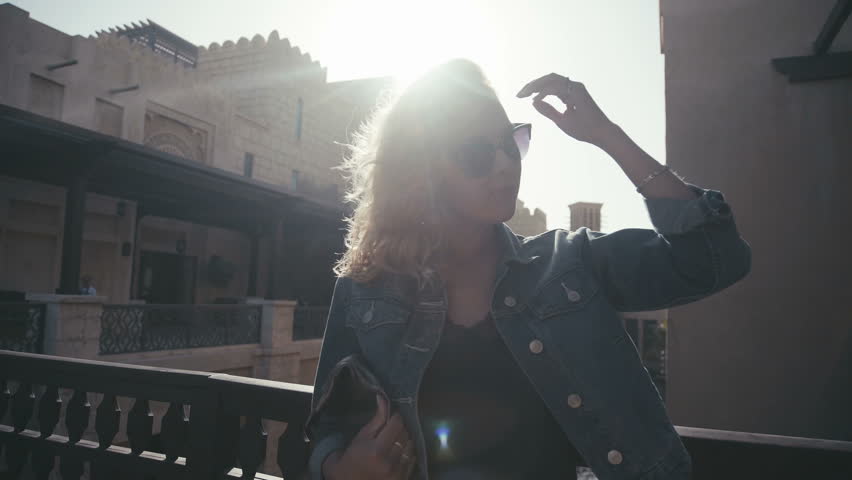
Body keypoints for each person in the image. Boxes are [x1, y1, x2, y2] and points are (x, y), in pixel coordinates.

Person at [307, 59, 751, 480]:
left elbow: (714, 257)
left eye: (511, 142)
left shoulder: (569, 263)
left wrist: (605, 134)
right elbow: (327, 425)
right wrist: (337, 468)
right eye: (477, 153)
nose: (504, 163)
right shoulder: (365, 289)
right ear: (422, 170)